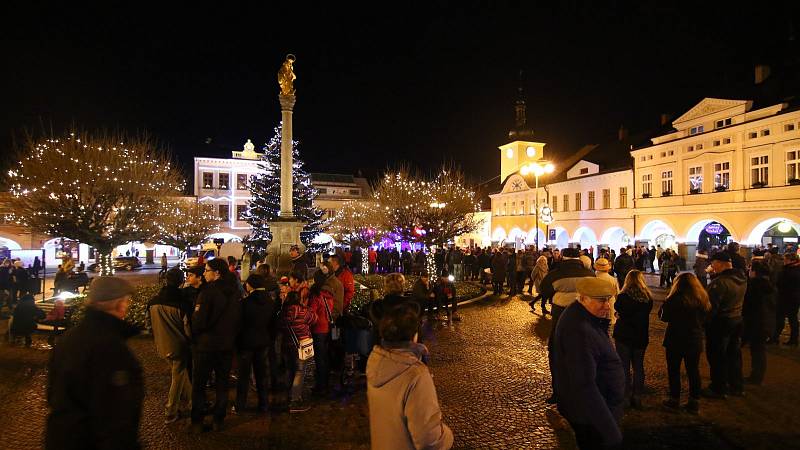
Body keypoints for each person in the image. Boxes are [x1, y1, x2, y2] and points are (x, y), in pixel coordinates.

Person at [46, 276, 142, 449]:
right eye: (127, 302)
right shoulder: (110, 347)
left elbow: (52, 392)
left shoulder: (68, 338)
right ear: (119, 304)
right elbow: (115, 413)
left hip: (61, 437)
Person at [366, 304, 453, 450]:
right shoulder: (415, 374)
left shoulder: (375, 362)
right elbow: (429, 440)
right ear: (414, 336)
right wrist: (448, 436)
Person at [553, 277, 625, 449]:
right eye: (601, 301)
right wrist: (609, 429)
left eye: (608, 300)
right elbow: (584, 385)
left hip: (593, 412)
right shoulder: (580, 331)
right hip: (592, 419)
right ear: (583, 298)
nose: (607, 306)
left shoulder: (582, 317)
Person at [190, 258, 242, 433]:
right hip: (226, 345)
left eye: (207, 270)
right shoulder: (235, 292)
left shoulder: (208, 292)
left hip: (207, 345)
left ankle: (197, 420)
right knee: (222, 384)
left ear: (217, 272)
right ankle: (218, 419)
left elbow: (198, 321)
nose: (204, 273)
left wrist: (196, 333)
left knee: (199, 385)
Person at [659, 272, 710, 413]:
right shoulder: (702, 298)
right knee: (693, 370)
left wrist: (665, 304)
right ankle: (694, 401)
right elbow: (706, 318)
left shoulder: (674, 299)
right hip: (694, 339)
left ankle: (674, 399)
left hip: (675, 339)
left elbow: (663, 317)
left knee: (674, 370)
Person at [149, 268, 193, 423]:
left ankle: (193, 401)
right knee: (178, 376)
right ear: (181, 282)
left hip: (161, 345)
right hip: (179, 346)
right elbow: (188, 328)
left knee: (181, 373)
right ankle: (170, 410)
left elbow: (150, 325)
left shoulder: (153, 301)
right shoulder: (182, 304)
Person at [703, 252, 747, 399]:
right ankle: (736, 385)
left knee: (717, 355)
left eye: (713, 263)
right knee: (734, 355)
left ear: (720, 263)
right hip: (736, 319)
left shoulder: (720, 283)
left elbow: (710, 307)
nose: (711, 266)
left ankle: (718, 387)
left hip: (720, 323)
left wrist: (705, 324)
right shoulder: (741, 278)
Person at [235, 274, 275, 414]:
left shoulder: (245, 303)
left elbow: (239, 324)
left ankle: (240, 405)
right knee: (261, 375)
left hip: (246, 343)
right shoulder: (270, 302)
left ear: (250, 285)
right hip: (263, 342)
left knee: (243, 377)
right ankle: (264, 405)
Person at [613, 270, 653, 409]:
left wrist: (619, 314)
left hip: (624, 335)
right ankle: (637, 396)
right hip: (640, 336)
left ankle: (624, 396)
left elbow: (618, 309)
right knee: (638, 367)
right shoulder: (648, 298)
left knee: (624, 366)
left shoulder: (623, 296)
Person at [284, 270, 317, 413]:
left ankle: (289, 393)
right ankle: (295, 400)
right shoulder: (303, 311)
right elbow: (314, 319)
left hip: (288, 344)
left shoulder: (284, 312)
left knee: (290, 369)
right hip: (302, 344)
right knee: (300, 370)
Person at [742, 261, 776, 386]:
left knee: (756, 350)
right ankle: (757, 375)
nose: (749, 271)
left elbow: (748, 306)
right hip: (767, 322)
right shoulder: (770, 285)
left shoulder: (754, 286)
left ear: (755, 272)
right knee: (759, 350)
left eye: (750, 269)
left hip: (756, 322)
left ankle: (755, 377)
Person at [308, 269, 335, 396]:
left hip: (318, 328)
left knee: (319, 358)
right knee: (324, 356)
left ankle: (321, 385)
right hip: (326, 328)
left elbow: (312, 313)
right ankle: (325, 383)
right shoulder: (328, 294)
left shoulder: (316, 295)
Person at [775, 252, 800, 346]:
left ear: (791, 260)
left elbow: (780, 283)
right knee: (792, 318)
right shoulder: (795, 269)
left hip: (787, 297)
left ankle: (775, 337)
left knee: (782, 317)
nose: (784, 261)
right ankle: (794, 339)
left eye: (785, 259)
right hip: (794, 298)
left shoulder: (788, 271)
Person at [593, 258, 619, 326]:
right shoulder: (613, 279)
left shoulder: (593, 278)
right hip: (610, 304)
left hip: (595, 304)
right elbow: (617, 294)